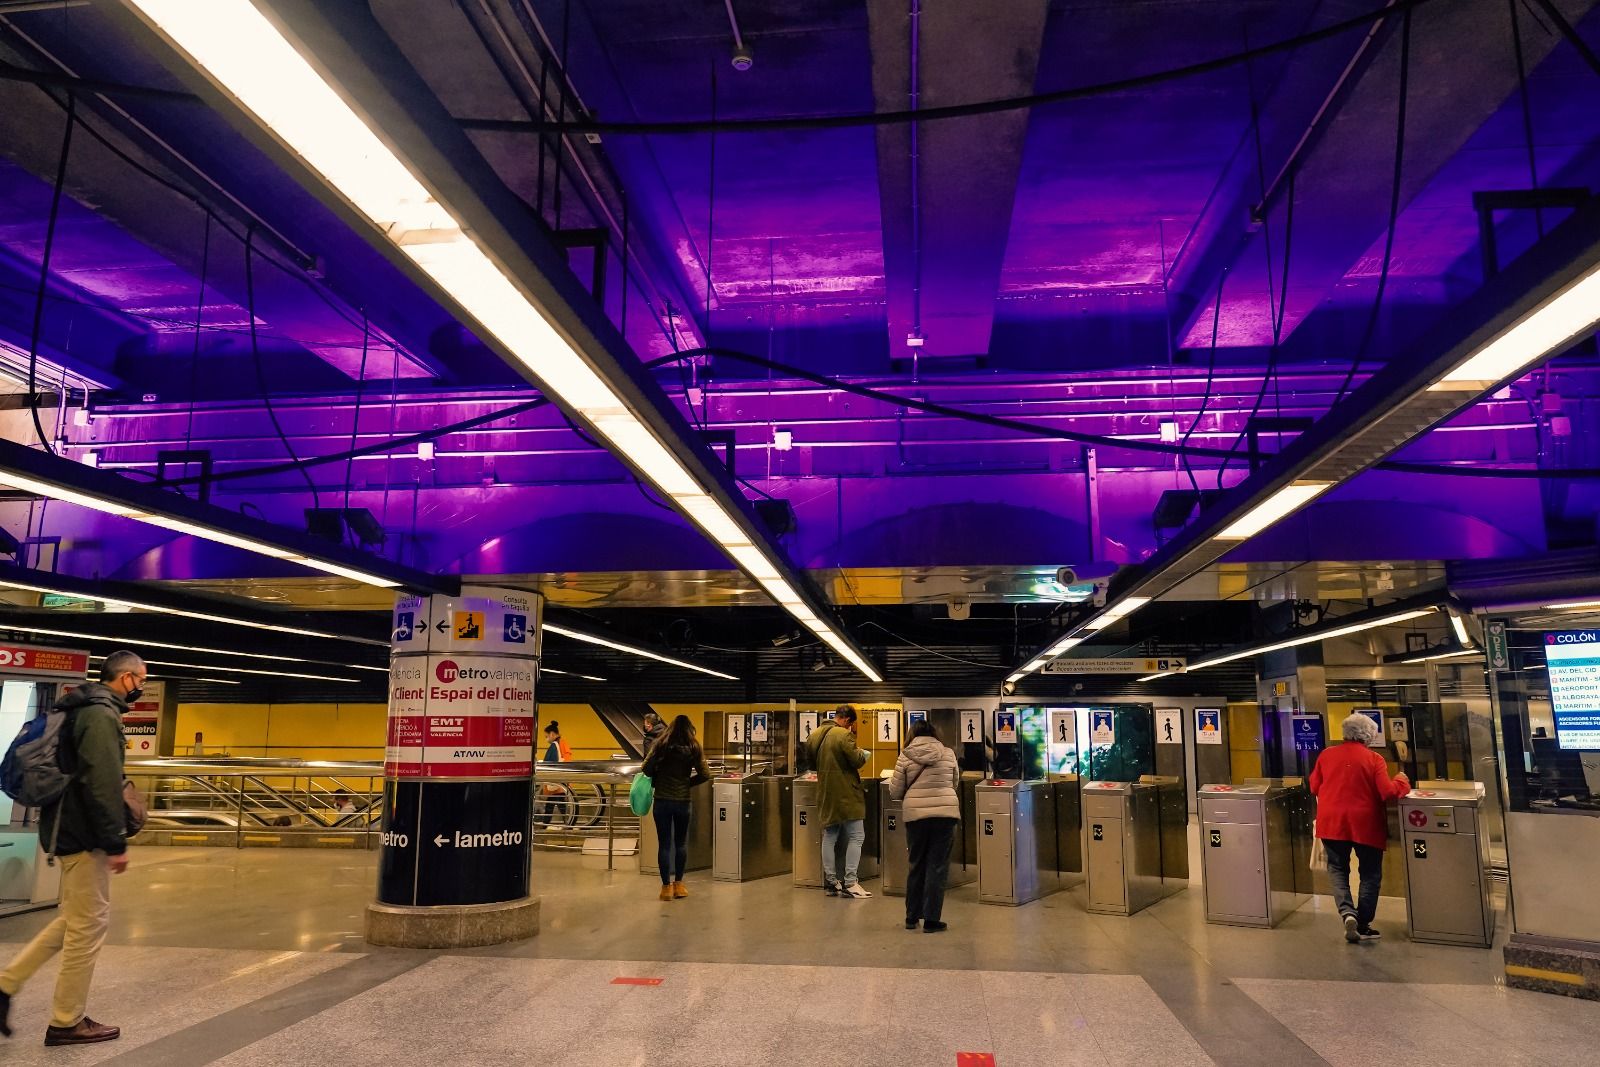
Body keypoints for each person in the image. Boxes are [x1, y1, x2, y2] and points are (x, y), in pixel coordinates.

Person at [0, 650, 145, 1047]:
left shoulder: (85, 708)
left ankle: (5, 985)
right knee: (88, 927)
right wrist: (114, 841)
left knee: (77, 919)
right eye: (141, 679)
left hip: (70, 830)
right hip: (82, 835)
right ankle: (67, 1021)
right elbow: (101, 782)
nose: (142, 686)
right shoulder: (100, 714)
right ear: (126, 678)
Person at [1310, 712, 1411, 944]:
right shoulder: (1374, 759)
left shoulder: (1326, 755)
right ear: (1368, 736)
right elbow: (1387, 792)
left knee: (1337, 869)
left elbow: (1314, 786)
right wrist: (1402, 780)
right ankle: (1363, 923)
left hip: (1332, 822)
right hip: (1365, 824)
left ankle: (1347, 914)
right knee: (1370, 873)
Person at [888, 719, 960, 932]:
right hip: (945, 815)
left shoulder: (906, 755)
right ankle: (931, 920)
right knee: (937, 867)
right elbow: (954, 782)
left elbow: (894, 791)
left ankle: (911, 918)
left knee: (916, 864)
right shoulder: (948, 753)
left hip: (916, 817)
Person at [641, 715, 711, 901]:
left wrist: (659, 774)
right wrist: (687, 783)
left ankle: (665, 888)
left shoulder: (660, 745)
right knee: (680, 844)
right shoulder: (694, 747)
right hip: (682, 801)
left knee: (664, 845)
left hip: (662, 800)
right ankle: (679, 885)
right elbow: (705, 774)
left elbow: (645, 768)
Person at [806, 705, 871, 898]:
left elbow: (811, 765)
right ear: (848, 720)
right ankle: (851, 882)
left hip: (826, 792)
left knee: (830, 835)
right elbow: (857, 761)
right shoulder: (843, 735)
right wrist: (862, 751)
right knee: (857, 836)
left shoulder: (814, 735)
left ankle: (832, 882)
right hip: (847, 794)